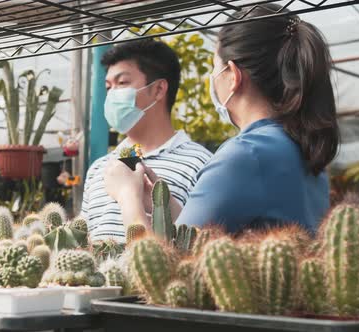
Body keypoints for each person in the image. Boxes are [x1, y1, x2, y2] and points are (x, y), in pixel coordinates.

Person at [104, 4, 340, 233]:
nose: (212, 78)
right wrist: (162, 206)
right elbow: (197, 237)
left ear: (234, 76)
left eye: (214, 67)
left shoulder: (246, 154)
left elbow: (161, 266)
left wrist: (128, 196)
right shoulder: (297, 146)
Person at [81, 39, 212, 243]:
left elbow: (199, 246)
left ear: (159, 89)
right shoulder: (98, 169)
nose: (112, 95)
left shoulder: (201, 165)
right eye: (108, 87)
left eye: (122, 83)